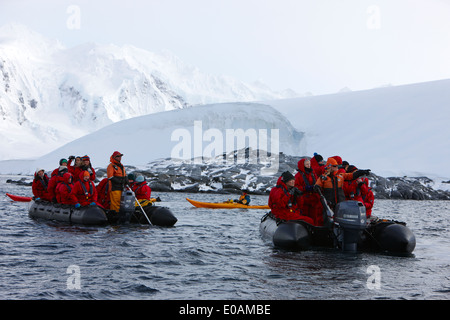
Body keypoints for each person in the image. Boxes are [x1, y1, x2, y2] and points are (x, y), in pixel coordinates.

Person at [295, 158, 324, 226]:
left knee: (316, 216)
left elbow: (317, 181)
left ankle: (317, 228)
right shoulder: (298, 175)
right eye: (307, 164)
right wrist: (305, 188)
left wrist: (318, 186)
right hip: (305, 200)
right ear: (303, 165)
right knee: (306, 216)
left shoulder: (313, 173)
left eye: (309, 164)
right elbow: (296, 187)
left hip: (314, 198)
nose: (309, 166)